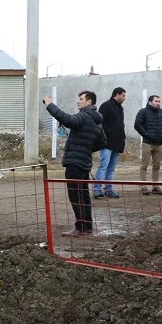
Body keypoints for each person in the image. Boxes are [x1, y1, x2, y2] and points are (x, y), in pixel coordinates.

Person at [43, 91, 107, 236]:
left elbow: (68, 119)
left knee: (76, 196)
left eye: (81, 99)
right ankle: (87, 226)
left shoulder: (84, 116)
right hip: (84, 162)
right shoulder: (97, 121)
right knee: (83, 194)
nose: (78, 102)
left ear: (89, 102)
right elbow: (103, 142)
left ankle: (80, 228)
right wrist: (87, 148)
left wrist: (50, 105)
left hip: (75, 162)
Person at [94, 87, 126, 199]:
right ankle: (97, 189)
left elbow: (121, 125)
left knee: (111, 168)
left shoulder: (120, 108)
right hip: (106, 143)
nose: (124, 98)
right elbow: (100, 122)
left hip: (117, 143)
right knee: (103, 165)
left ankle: (108, 189)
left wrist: (122, 140)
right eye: (123, 95)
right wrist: (108, 133)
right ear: (116, 95)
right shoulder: (106, 106)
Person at [133, 94, 162, 195]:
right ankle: (143, 186)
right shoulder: (143, 112)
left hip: (159, 144)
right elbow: (137, 124)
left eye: (159, 101)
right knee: (144, 165)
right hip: (147, 144)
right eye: (156, 101)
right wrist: (147, 135)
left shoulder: (161, 112)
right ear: (150, 102)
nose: (158, 103)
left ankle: (155, 186)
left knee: (156, 166)